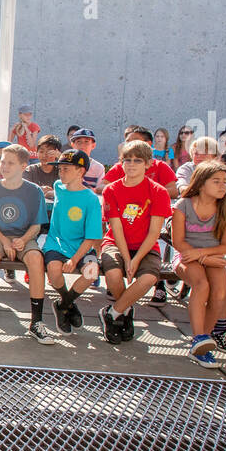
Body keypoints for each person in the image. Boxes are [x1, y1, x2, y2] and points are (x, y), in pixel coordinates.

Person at [170, 161, 226, 368]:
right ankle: (198, 338)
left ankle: (203, 341)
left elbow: (225, 246)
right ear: (201, 183)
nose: (223, 186)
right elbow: (178, 242)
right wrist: (201, 258)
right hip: (186, 257)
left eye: (225, 181)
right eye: (216, 181)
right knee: (201, 284)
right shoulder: (183, 205)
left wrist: (203, 255)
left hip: (213, 256)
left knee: (219, 292)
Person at [97, 140, 172, 345]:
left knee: (147, 279)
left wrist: (137, 258)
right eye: (127, 160)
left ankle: (112, 313)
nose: (131, 164)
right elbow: (116, 227)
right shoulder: (111, 190)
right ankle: (125, 312)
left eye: (137, 160)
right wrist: (127, 258)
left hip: (145, 246)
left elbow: (155, 231)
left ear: (148, 164)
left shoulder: (158, 192)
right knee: (112, 275)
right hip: (116, 243)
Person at [0, 143, 51, 342]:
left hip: (24, 238)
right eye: (2, 162)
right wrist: (4, 242)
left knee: (35, 258)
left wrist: (24, 239)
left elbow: (37, 224)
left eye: (10, 163)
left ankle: (36, 321)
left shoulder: (34, 191)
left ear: (24, 166)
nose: (4, 166)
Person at [41, 149, 103, 333]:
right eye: (60, 169)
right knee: (53, 270)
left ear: (81, 171)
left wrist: (75, 259)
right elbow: (59, 195)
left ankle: (63, 305)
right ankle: (68, 304)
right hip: (56, 242)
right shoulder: (58, 186)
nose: (61, 172)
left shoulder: (91, 199)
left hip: (81, 246)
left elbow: (92, 237)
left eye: (66, 169)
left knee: (91, 272)